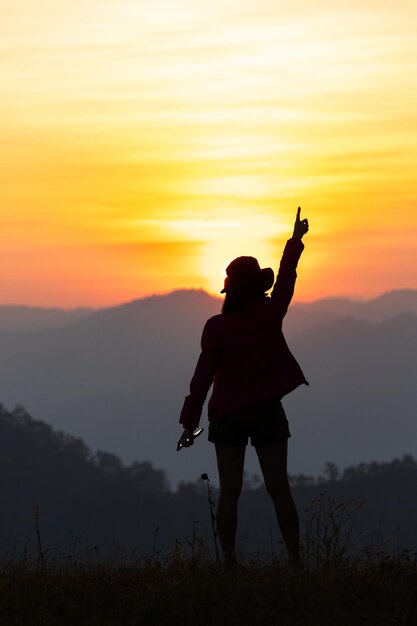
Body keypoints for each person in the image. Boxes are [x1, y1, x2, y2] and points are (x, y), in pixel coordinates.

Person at [177, 207, 309, 567]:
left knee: (229, 492)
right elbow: (286, 280)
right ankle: (295, 561)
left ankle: (231, 563)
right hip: (267, 411)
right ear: (258, 288)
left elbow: (201, 378)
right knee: (279, 488)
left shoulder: (216, 327)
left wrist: (189, 423)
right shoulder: (270, 315)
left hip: (228, 415)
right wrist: (295, 242)